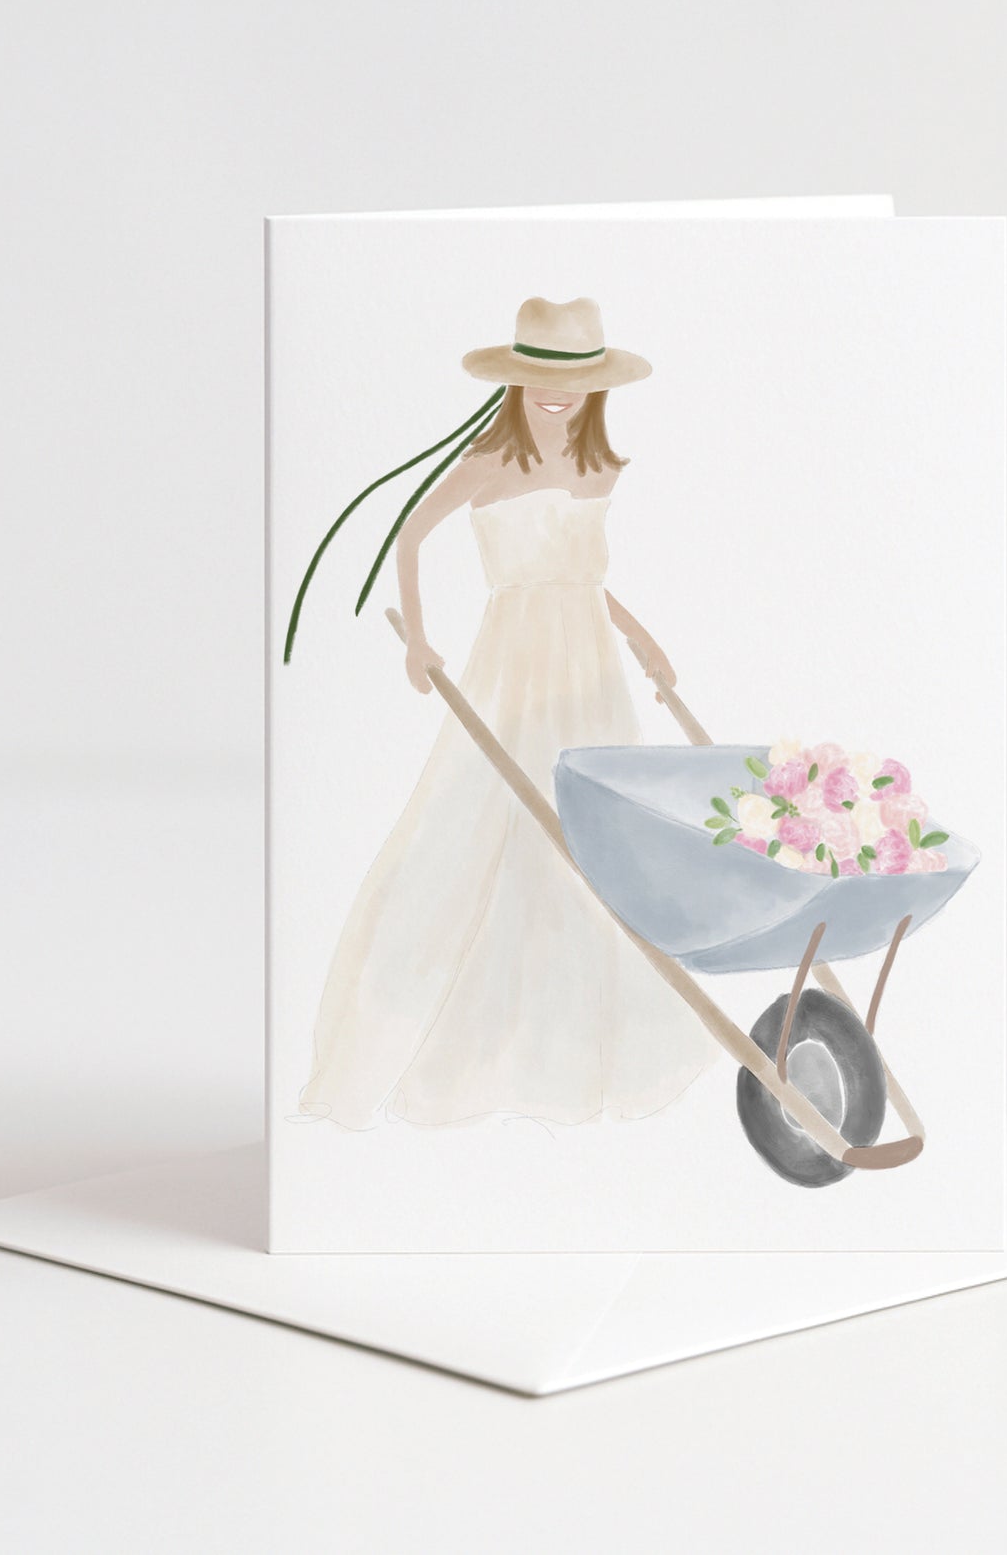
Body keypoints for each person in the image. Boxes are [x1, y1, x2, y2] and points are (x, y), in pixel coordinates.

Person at [297, 298, 716, 1127]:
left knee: (592, 830)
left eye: (573, 379)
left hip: (589, 665)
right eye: (536, 376)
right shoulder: (491, 460)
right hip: (516, 660)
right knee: (486, 812)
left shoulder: (601, 469)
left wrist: (642, 639)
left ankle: (576, 1041)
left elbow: (583, 580)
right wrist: (420, 641)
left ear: (597, 388)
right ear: (514, 382)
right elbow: (411, 532)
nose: (554, 393)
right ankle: (451, 1035)